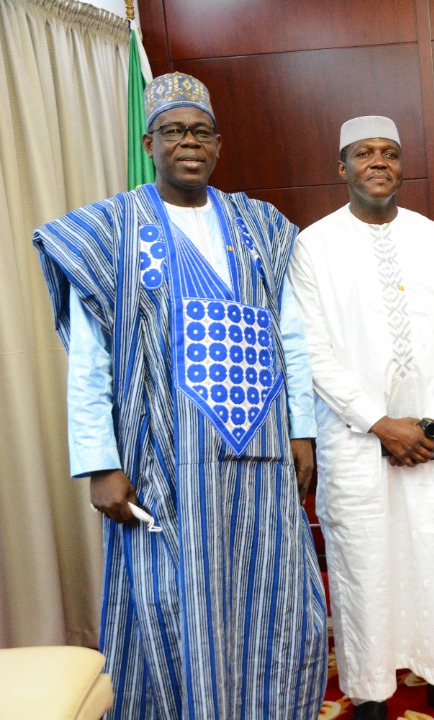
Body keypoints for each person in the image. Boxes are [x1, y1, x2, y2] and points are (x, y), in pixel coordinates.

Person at [32, 72, 327, 719]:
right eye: (172, 131)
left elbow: (290, 335)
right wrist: (99, 463)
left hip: (260, 462)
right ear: (149, 143)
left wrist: (302, 430)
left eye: (200, 132)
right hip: (160, 463)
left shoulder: (260, 226)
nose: (188, 142)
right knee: (170, 606)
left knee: (269, 601)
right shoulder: (112, 229)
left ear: (218, 144)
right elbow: (90, 363)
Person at [288, 116, 434, 720]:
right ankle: (371, 691)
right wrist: (379, 423)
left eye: (390, 153)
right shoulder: (313, 246)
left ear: (401, 166)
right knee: (364, 566)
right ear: (341, 167)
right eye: (364, 153)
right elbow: (311, 349)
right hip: (355, 440)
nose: (379, 163)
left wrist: (430, 422)